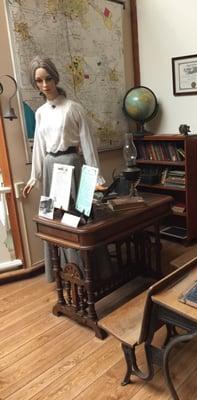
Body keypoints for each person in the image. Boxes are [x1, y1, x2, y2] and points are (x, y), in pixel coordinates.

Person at [23, 56, 109, 281]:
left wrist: (97, 176)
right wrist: (35, 177)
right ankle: (63, 271)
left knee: (78, 217)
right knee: (54, 219)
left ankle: (89, 272)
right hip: (51, 171)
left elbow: (88, 144)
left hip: (73, 166)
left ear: (55, 77)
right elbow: (39, 148)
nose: (44, 85)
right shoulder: (40, 112)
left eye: (48, 78)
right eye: (39, 81)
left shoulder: (74, 108)